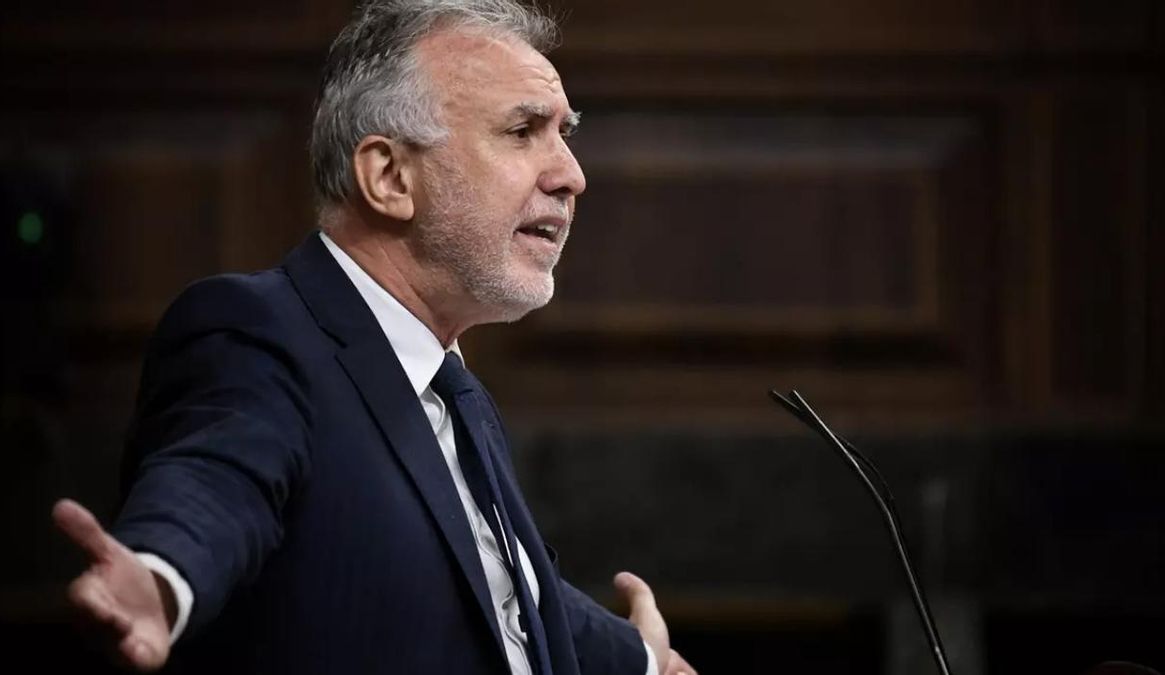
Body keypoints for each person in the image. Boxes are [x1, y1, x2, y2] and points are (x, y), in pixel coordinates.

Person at [49, 1, 697, 673]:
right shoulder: (255, 332)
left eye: (564, 133)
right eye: (524, 129)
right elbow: (218, 480)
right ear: (389, 177)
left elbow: (496, 588)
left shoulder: (451, 389)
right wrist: (161, 575)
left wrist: (643, 659)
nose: (571, 174)